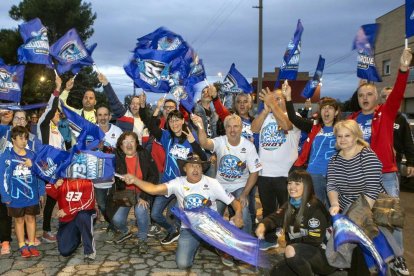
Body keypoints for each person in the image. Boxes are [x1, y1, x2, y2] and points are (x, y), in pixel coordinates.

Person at [348, 48, 412, 271]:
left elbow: (397, 95)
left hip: (384, 174)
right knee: (365, 219)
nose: (364, 98)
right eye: (361, 96)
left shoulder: (385, 114)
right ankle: (371, 256)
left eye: (369, 95)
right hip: (360, 176)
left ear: (376, 98)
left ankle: (399, 257)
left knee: (391, 218)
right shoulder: (353, 119)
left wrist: (403, 70)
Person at [121, 154, 243, 269]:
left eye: (198, 166)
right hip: (189, 229)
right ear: (185, 168)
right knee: (182, 264)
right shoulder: (178, 183)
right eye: (191, 165)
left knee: (236, 253)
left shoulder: (213, 183)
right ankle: (200, 244)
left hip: (211, 227)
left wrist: (238, 214)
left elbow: (234, 202)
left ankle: (218, 246)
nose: (195, 169)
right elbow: (154, 189)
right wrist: (135, 180)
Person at [327, 120, 409, 275]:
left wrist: (359, 217)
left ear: (357, 136)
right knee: (354, 247)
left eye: (347, 135)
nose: (343, 139)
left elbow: (371, 190)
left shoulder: (367, 156)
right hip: (347, 207)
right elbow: (332, 185)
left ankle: (393, 260)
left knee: (369, 241)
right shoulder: (334, 160)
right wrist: (334, 203)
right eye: (339, 136)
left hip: (370, 206)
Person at [139, 103, 207, 245]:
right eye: (171, 120)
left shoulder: (190, 136)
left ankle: (189, 235)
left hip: (184, 185)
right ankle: (172, 230)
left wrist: (193, 142)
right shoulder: (166, 137)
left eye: (177, 120)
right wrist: (157, 108)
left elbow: (204, 159)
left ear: (183, 121)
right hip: (168, 182)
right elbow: (151, 126)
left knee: (178, 214)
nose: (174, 123)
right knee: (155, 214)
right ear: (168, 123)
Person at [256, 170, 335, 276]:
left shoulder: (315, 207)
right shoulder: (291, 204)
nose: (292, 187)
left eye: (297, 184)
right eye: (290, 183)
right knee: (276, 272)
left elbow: (314, 240)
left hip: (325, 257)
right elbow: (275, 218)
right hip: (301, 253)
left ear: (307, 186)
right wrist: (263, 225)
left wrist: (292, 244)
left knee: (290, 251)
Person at [192, 113, 261, 235]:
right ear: (225, 128)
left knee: (243, 212)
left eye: (236, 126)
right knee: (212, 215)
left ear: (241, 128)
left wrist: (245, 194)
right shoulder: (220, 141)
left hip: (240, 186)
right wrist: (200, 126)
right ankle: (216, 242)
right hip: (220, 187)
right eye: (229, 127)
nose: (232, 130)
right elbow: (204, 143)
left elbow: (255, 172)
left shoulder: (249, 146)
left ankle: (246, 244)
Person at [251, 85, 301, 250]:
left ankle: (293, 242)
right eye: (272, 98)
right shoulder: (267, 115)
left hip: (286, 174)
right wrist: (266, 110)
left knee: (290, 211)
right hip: (265, 173)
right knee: (268, 210)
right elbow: (254, 128)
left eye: (278, 98)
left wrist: (272, 105)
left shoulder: (294, 116)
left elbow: (287, 126)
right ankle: (270, 238)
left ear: (285, 100)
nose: (274, 101)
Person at [286, 83, 341, 207]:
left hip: (333, 176)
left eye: (330, 108)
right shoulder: (314, 127)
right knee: (315, 208)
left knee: (333, 207)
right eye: (323, 108)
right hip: (313, 175)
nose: (326, 111)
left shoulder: (341, 129)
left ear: (336, 112)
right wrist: (288, 97)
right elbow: (293, 118)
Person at [0, 126, 45, 258]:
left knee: (31, 219)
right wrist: (5, 195)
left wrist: (41, 191)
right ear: (13, 139)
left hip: (31, 195)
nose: (24, 141)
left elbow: (40, 174)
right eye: (21, 138)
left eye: (25, 138)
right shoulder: (6, 156)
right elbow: (2, 177)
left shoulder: (32, 155)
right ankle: (22, 245)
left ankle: (31, 243)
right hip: (15, 196)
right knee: (19, 220)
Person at [110, 131, 158, 253]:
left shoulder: (144, 154)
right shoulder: (117, 157)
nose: (129, 145)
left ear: (137, 144)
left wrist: (144, 196)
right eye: (125, 142)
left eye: (131, 141)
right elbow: (110, 173)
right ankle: (126, 232)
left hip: (142, 191)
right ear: (121, 146)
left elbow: (153, 175)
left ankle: (142, 239)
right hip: (126, 193)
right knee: (117, 219)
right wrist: (118, 179)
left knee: (140, 210)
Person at [37, 75, 64, 243]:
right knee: (49, 202)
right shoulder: (43, 125)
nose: (58, 114)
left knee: (58, 200)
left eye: (59, 112)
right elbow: (49, 110)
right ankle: (45, 231)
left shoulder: (59, 130)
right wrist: (57, 89)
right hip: (47, 170)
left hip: (59, 170)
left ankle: (62, 227)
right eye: (56, 112)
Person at [46, 178, 96, 261]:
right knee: (64, 251)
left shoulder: (87, 181)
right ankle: (78, 236)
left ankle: (89, 251)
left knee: (83, 216)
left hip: (85, 214)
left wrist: (67, 210)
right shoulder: (60, 180)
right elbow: (50, 191)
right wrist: (55, 186)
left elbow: (88, 202)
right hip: (67, 220)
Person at [93, 106, 123, 227]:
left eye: (105, 115)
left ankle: (113, 225)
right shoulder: (91, 131)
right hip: (97, 175)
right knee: (101, 204)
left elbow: (122, 151)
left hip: (114, 174)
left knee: (113, 202)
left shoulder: (117, 131)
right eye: (100, 115)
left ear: (110, 116)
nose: (103, 118)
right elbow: (84, 150)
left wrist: (107, 149)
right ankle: (111, 221)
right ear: (96, 117)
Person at [380, 87, 414, 180]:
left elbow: (408, 142)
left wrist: (410, 163)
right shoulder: (375, 116)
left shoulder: (401, 119)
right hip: (373, 163)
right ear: (381, 99)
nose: (387, 98)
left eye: (390, 96)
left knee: (392, 194)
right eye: (384, 96)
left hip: (394, 164)